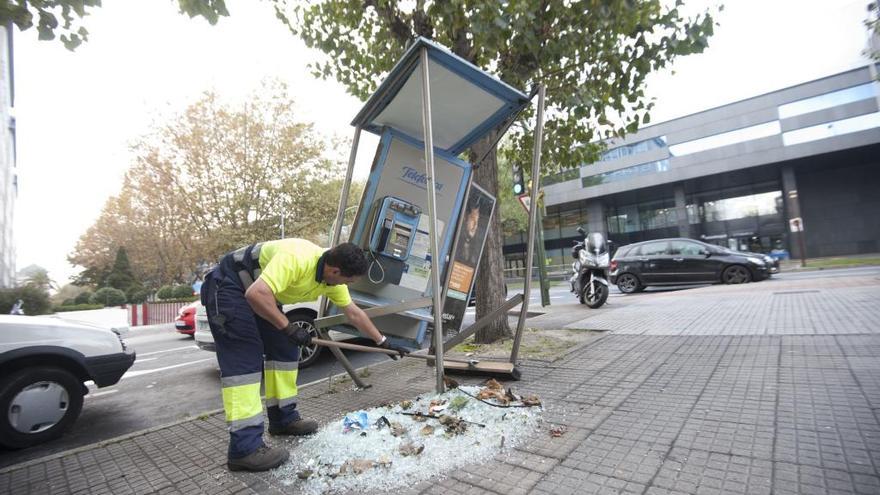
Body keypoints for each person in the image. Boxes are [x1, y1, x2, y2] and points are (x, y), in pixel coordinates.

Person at [200, 239, 408, 472]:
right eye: (348, 280)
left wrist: (384, 342)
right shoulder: (297, 257)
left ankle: (283, 419)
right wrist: (289, 327)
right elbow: (256, 294)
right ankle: (244, 448)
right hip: (230, 286)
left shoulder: (333, 279)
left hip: (260, 293)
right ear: (335, 270)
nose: (346, 285)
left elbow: (354, 313)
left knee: (285, 349)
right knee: (245, 361)